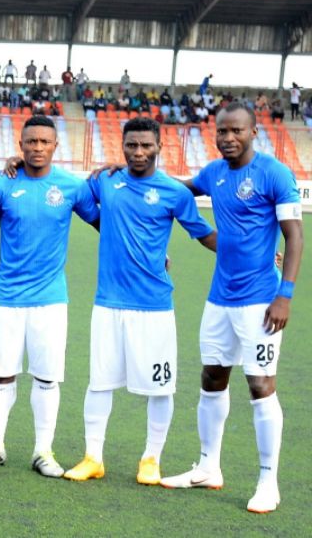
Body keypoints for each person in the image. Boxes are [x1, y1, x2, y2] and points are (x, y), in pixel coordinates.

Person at [161, 103, 303, 514]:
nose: (228, 138)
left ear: (253, 132)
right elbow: (177, 190)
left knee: (260, 384)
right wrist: (128, 174)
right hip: (219, 298)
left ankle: (268, 482)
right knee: (212, 376)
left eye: (236, 130)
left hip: (262, 300)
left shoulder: (274, 173)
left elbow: (294, 236)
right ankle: (208, 467)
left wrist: (285, 295)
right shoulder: (213, 173)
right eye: (222, 131)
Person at [61, 117, 217, 485]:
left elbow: (205, 235)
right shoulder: (106, 180)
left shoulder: (174, 193)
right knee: (99, 382)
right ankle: (93, 457)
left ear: (159, 147)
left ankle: (151, 459)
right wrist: (20, 164)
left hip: (154, 306)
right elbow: (73, 195)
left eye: (146, 145)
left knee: (160, 387)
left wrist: (254, 256)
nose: (139, 152)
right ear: (123, 146)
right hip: (108, 303)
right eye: (132, 145)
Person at [0, 115, 100, 478]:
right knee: (1, 374)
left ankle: (43, 451)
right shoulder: (1, 186)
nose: (37, 147)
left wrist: (148, 254)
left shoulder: (72, 187)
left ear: (55, 146)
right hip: (7, 297)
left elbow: (104, 222)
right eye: (31, 141)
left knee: (46, 377)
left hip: (51, 299)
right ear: (21, 144)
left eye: (44, 142)